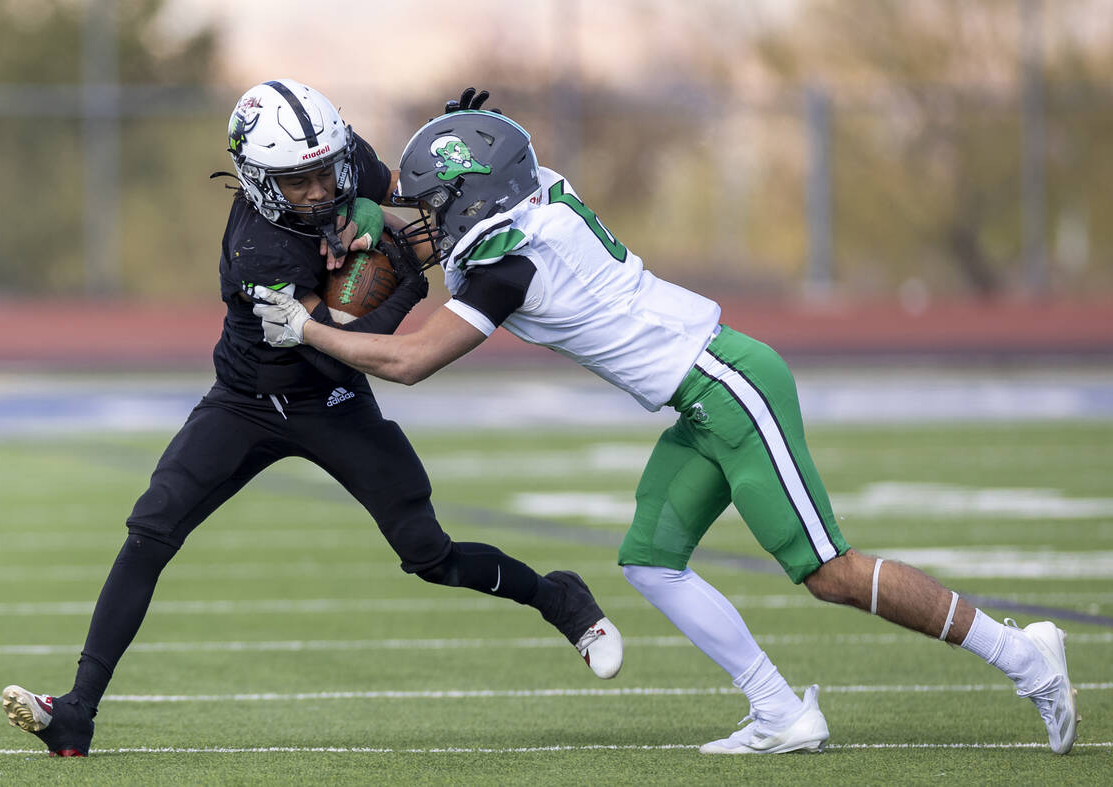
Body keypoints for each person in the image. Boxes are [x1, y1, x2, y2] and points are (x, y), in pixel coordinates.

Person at [252, 101, 1080, 755]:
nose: (419, 220)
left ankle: (1025, 655)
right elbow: (446, 199)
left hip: (729, 385)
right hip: (698, 396)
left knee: (826, 570)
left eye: (434, 205)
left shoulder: (512, 265)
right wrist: (387, 191)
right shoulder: (540, 195)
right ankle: (780, 710)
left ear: (476, 198)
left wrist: (309, 329)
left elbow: (409, 362)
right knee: (651, 560)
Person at [0, 81, 622, 758]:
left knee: (428, 552)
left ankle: (557, 598)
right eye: (300, 183)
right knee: (151, 528)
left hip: (332, 404)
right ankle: (78, 711)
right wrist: (401, 277)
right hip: (248, 399)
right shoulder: (257, 253)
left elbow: (418, 195)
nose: (320, 189)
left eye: (328, 171)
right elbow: (335, 344)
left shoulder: (338, 154)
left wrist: (465, 153)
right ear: (261, 181)